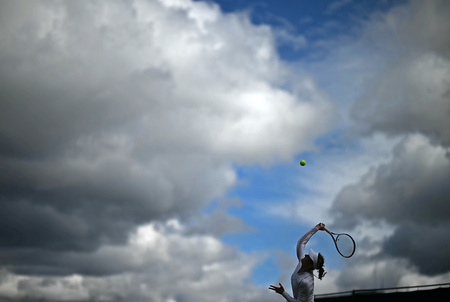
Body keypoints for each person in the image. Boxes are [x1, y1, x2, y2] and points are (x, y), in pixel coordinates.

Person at [269, 223, 326, 302]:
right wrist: (316, 228)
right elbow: (301, 243)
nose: (305, 255)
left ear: (310, 264)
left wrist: (283, 293)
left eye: (308, 256)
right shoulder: (302, 261)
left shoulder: (306, 282)